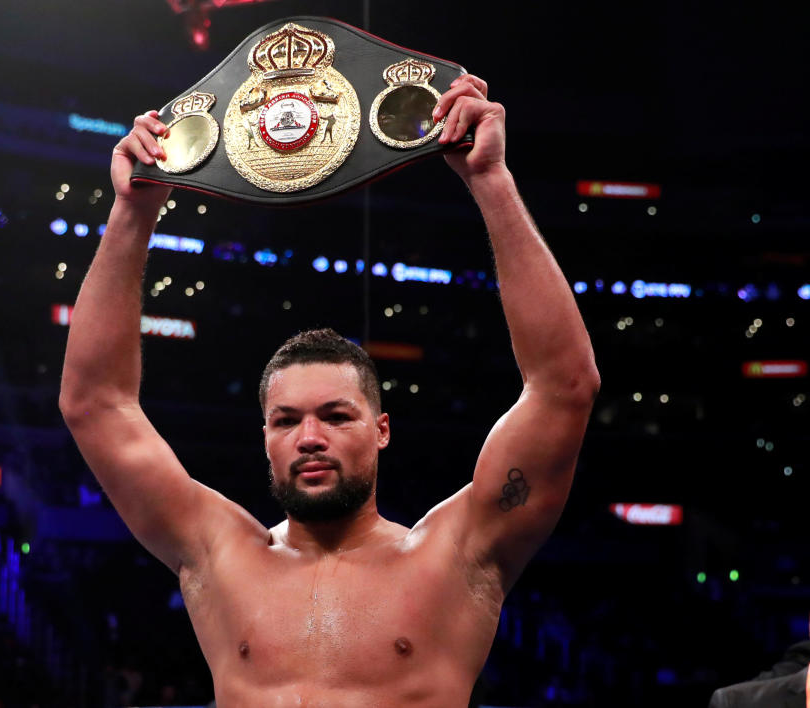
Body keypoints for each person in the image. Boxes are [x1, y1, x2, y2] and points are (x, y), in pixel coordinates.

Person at [59, 74, 600, 706]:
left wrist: (490, 181)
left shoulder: (455, 557)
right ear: (264, 438)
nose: (309, 438)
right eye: (286, 420)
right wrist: (133, 212)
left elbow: (563, 388)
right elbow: (94, 404)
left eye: (335, 415)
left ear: (381, 429)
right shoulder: (217, 555)